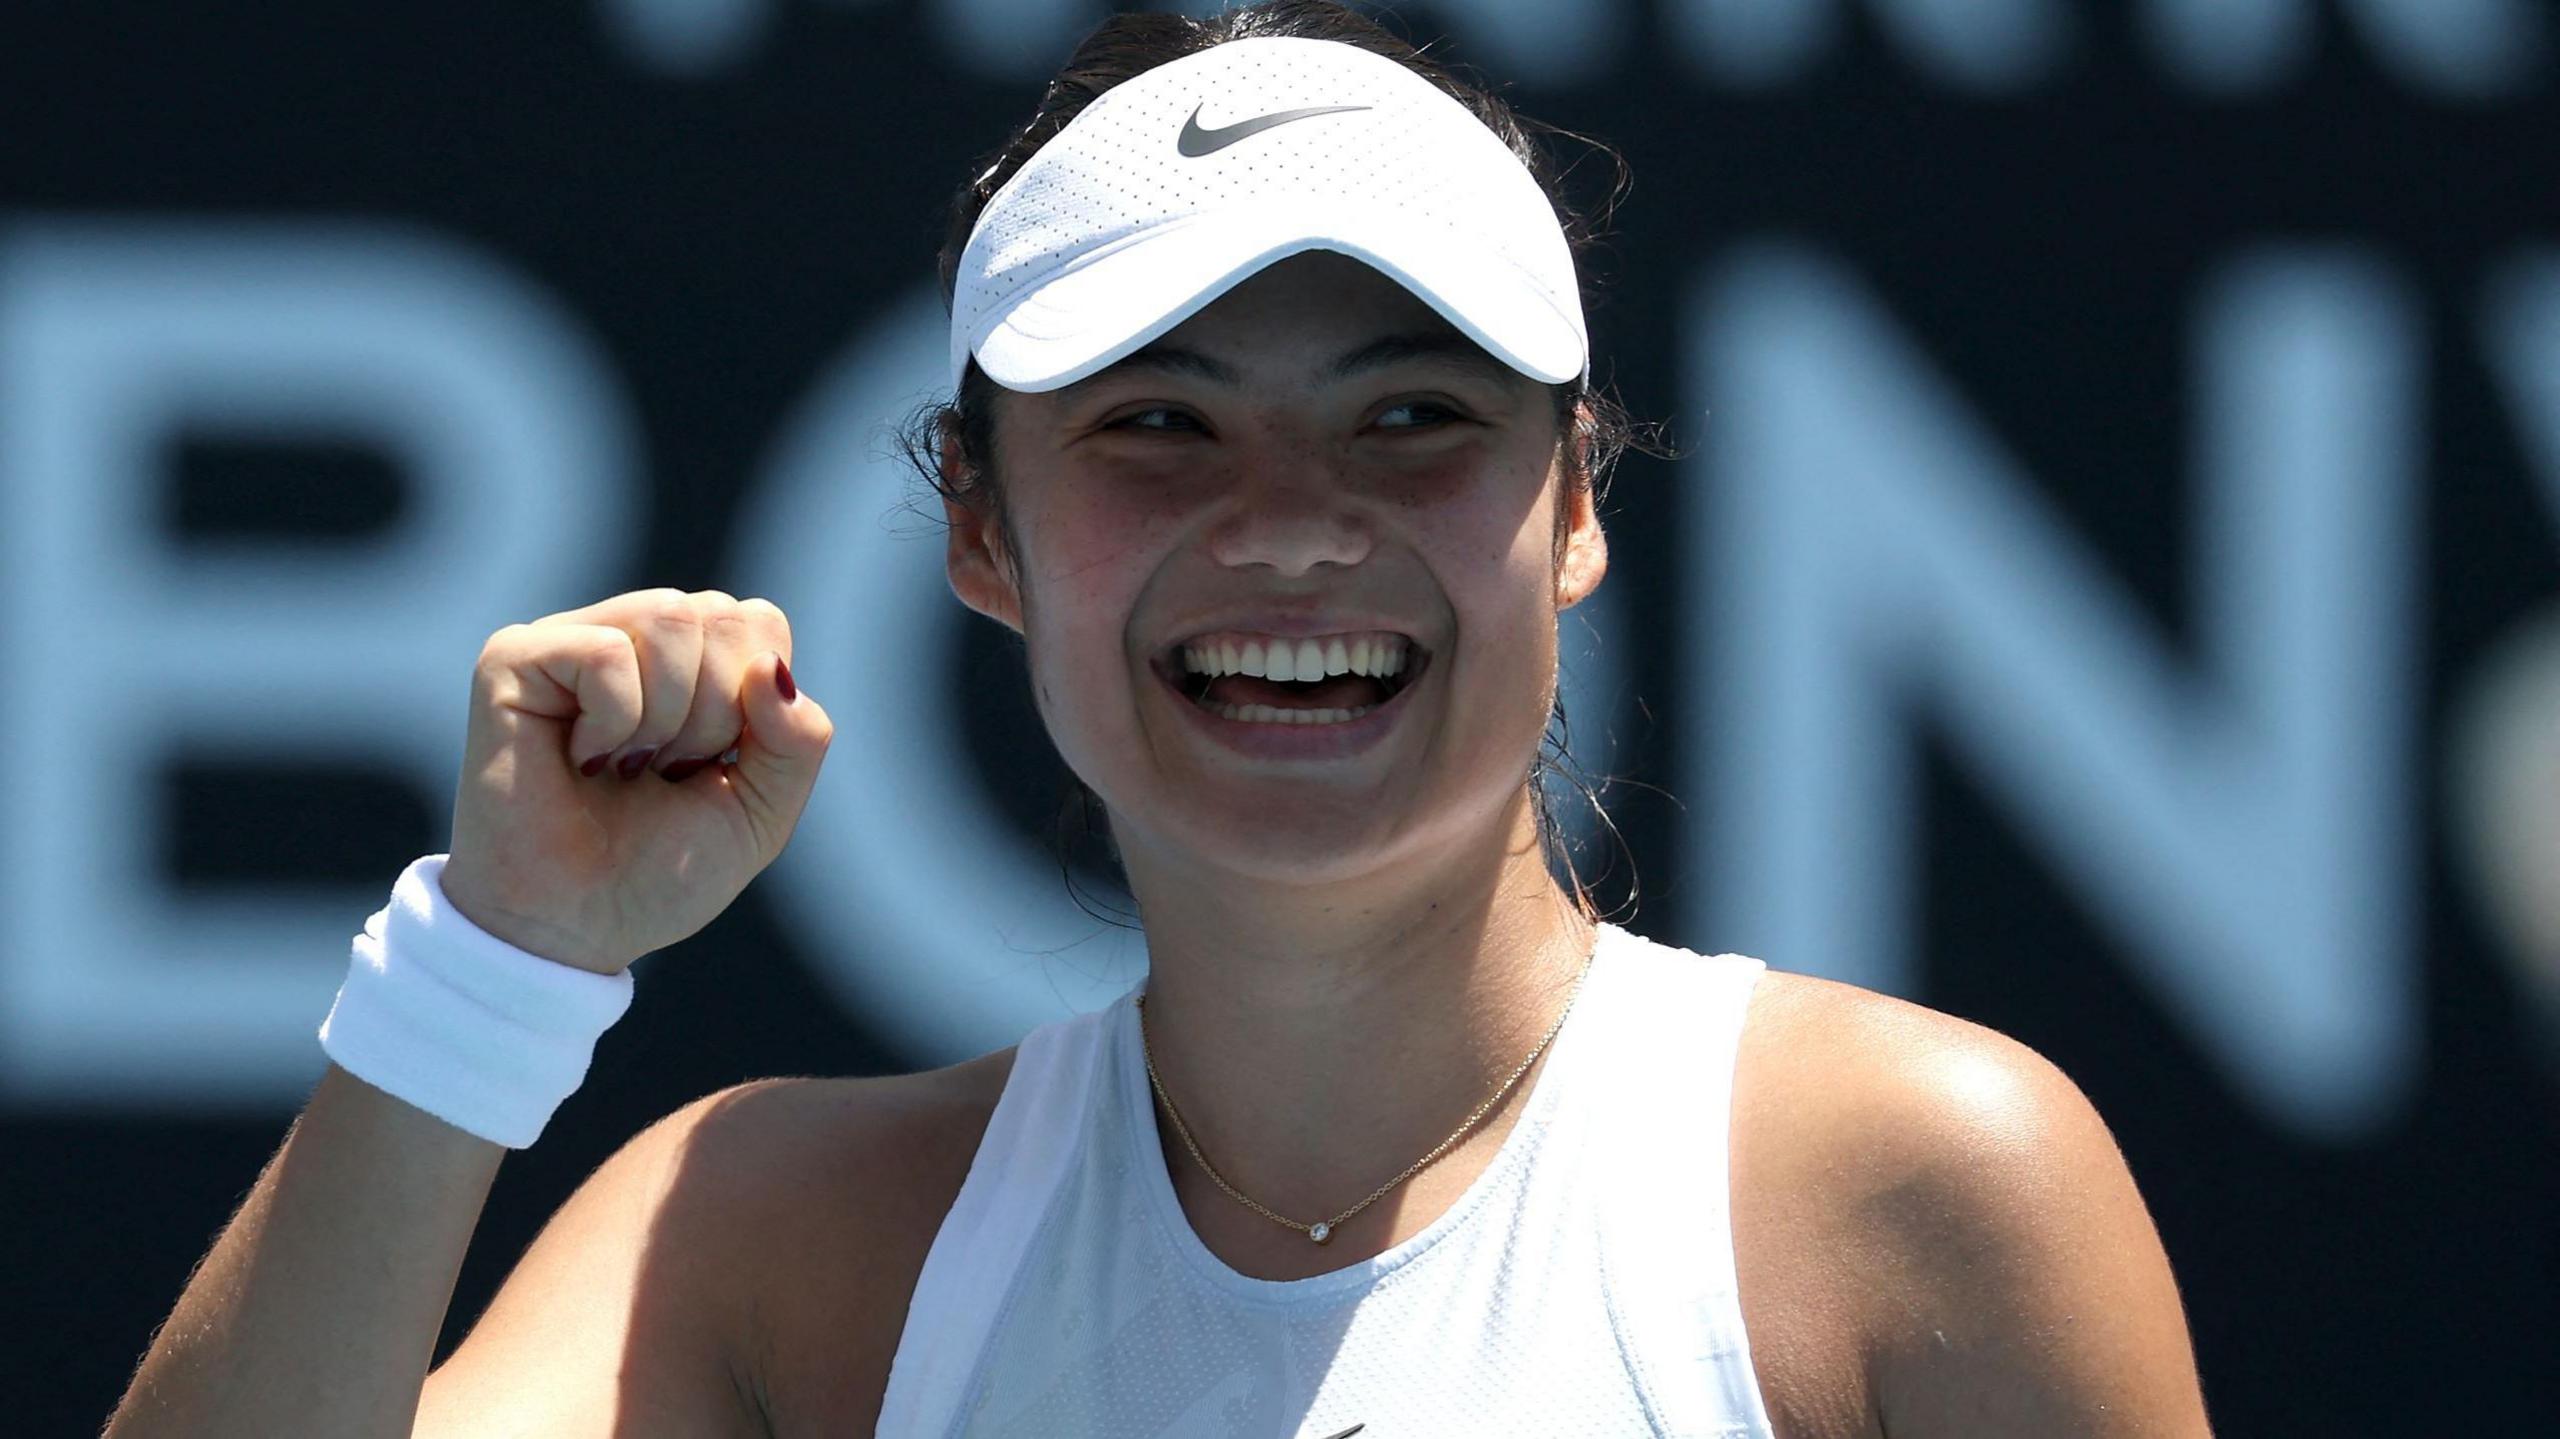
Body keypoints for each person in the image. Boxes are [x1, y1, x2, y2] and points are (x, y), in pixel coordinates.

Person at [106, 4, 2214, 1436]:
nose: (1290, 528)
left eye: (1407, 418)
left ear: (1573, 501)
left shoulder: (1920, 1188)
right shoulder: (767, 1243)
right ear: (981, 530)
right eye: (1156, 427)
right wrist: (486, 970)